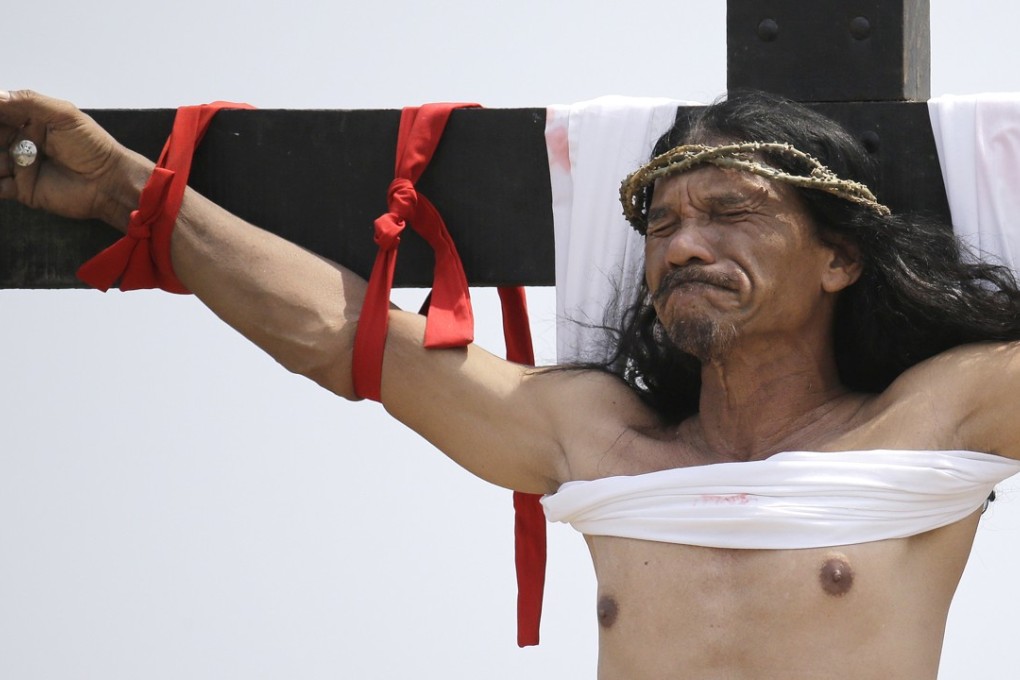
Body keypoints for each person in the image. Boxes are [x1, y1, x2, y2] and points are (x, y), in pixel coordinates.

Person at [2, 87, 1019, 680]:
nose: (684, 245)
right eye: (661, 224)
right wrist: (127, 187)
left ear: (839, 259)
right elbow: (337, 334)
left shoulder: (935, 412)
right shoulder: (598, 437)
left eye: (731, 211)